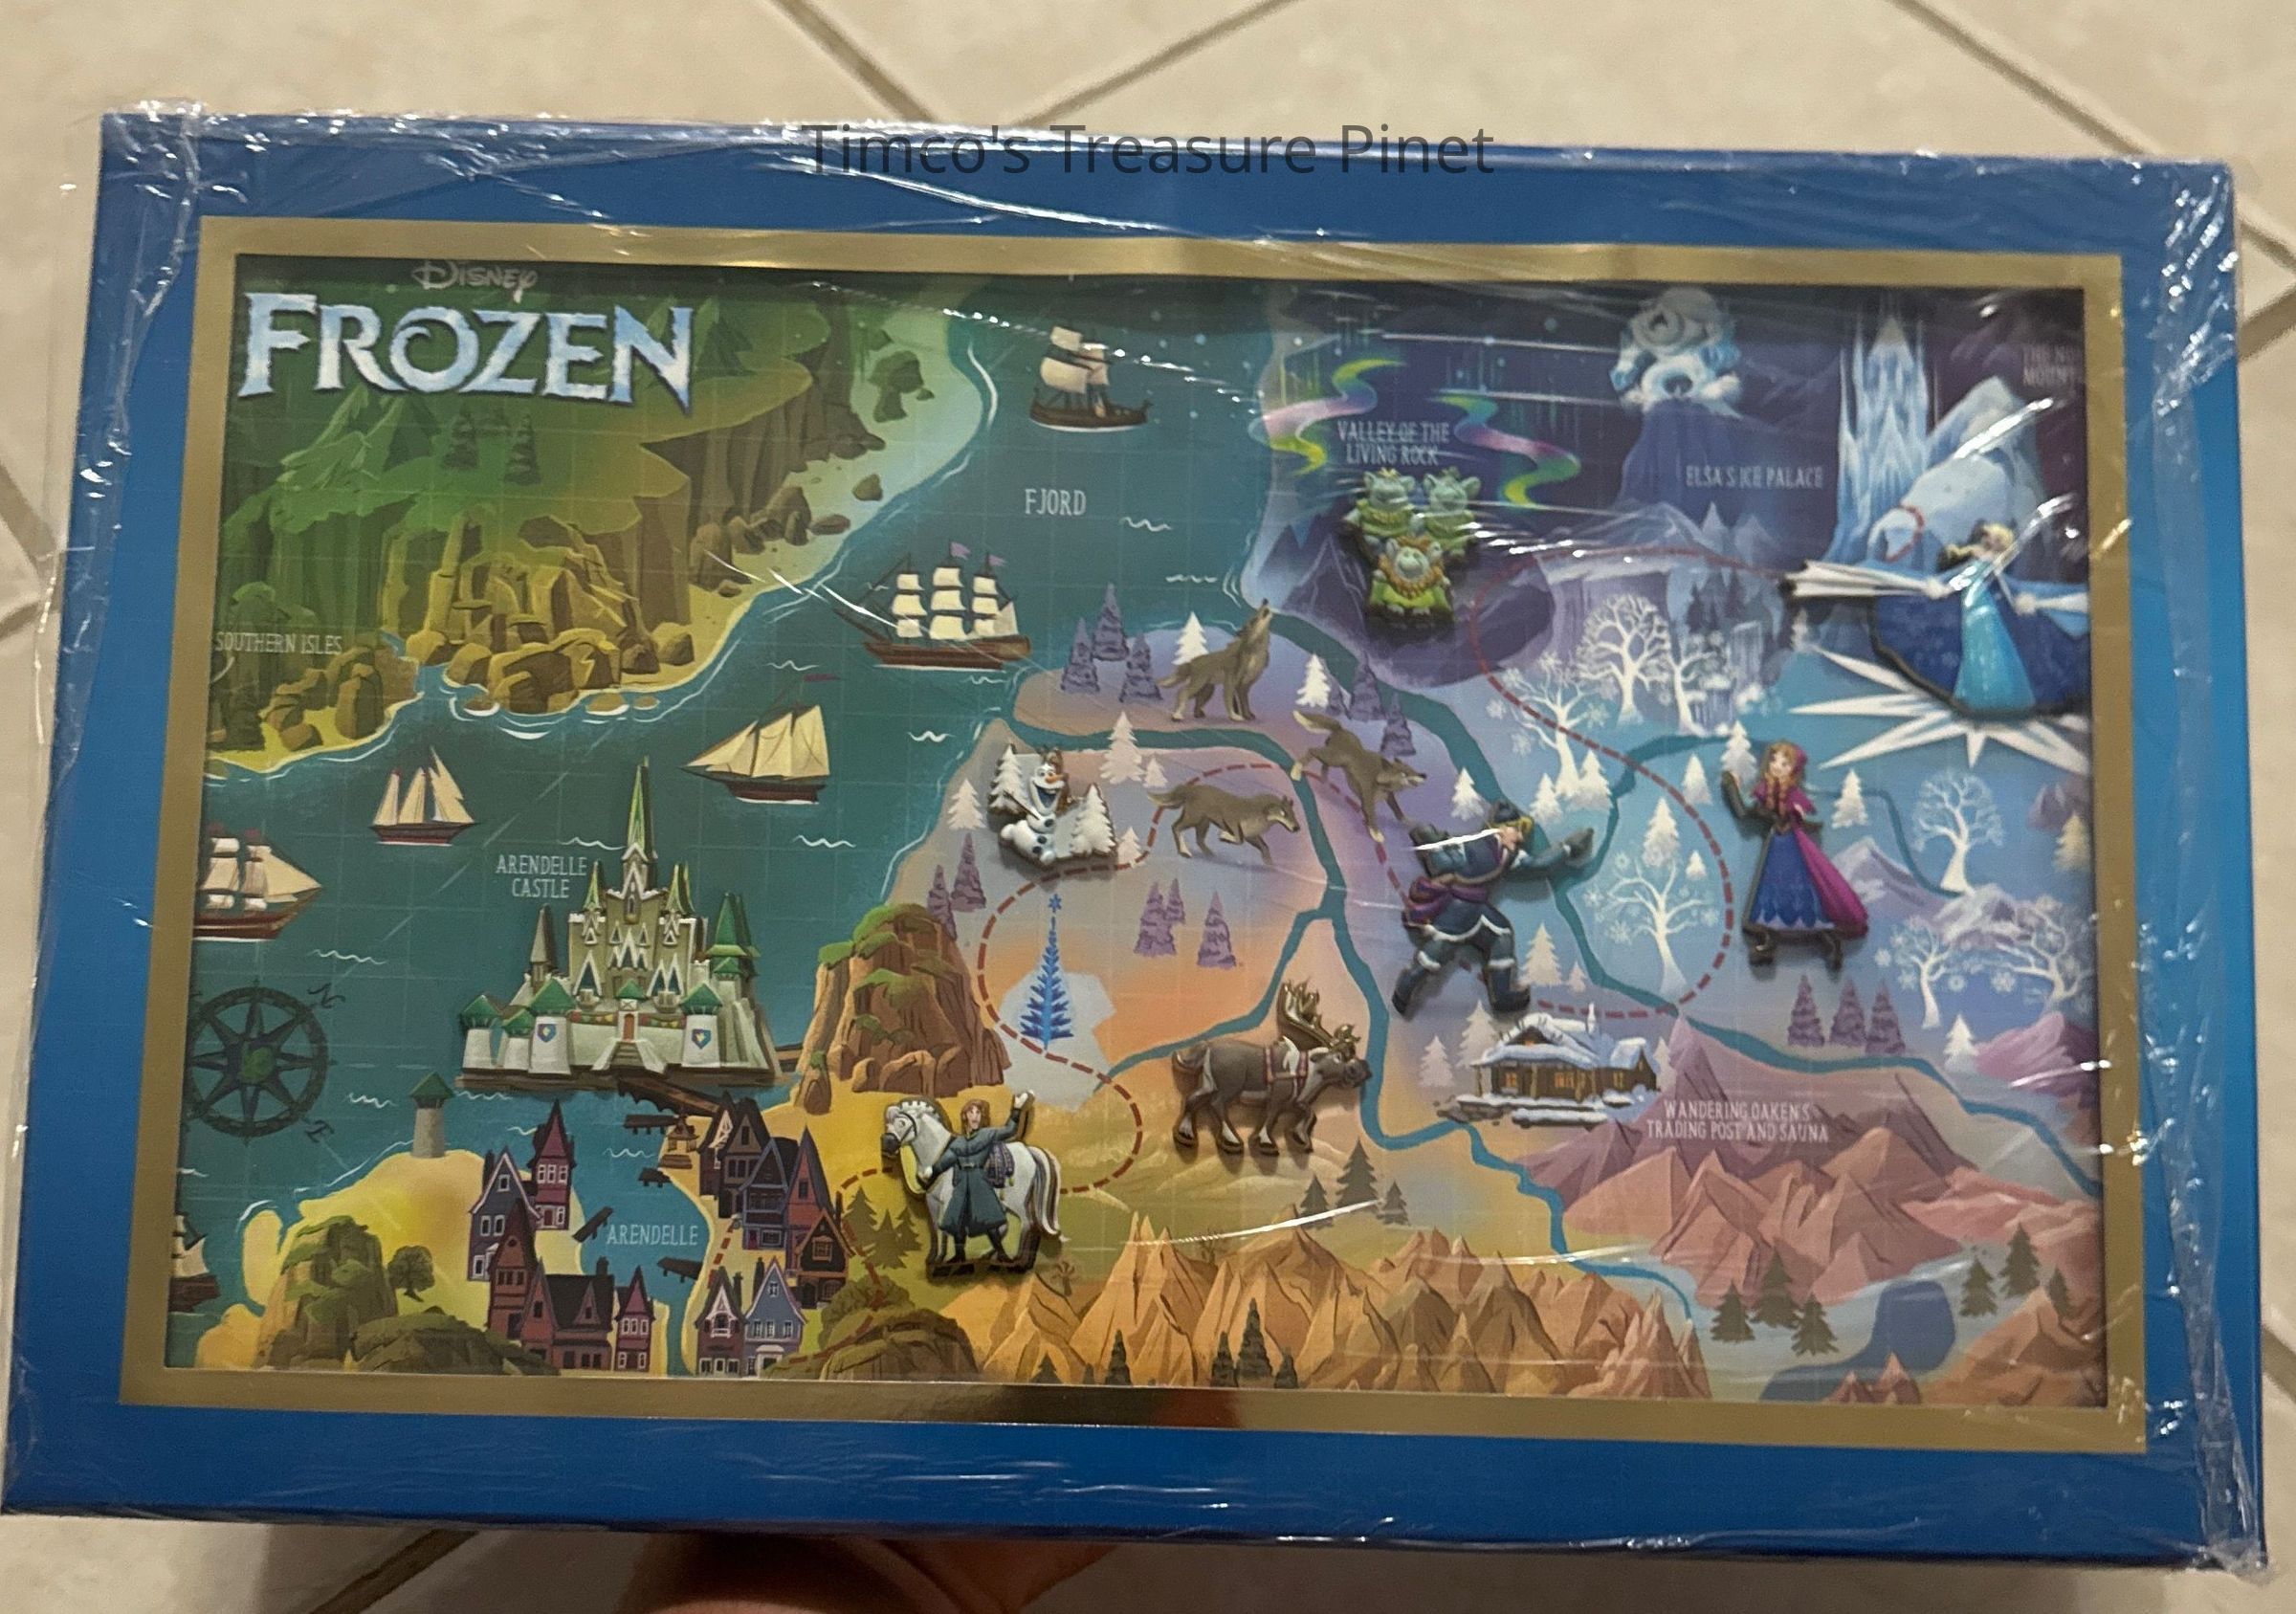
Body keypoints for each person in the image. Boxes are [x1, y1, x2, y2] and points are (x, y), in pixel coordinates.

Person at [1391, 801, 1594, 1016]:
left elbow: (1537, 865)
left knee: (1500, 935)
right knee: (1442, 946)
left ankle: (1502, 993)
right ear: (1502, 828)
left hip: (1476, 908)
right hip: (1458, 908)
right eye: (1516, 830)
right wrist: (1432, 841)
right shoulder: (1476, 847)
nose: (1520, 837)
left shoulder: (1505, 854)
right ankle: (1407, 986)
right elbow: (1445, 861)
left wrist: (1567, 849)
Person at [1721, 741, 1867, 969]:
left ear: (1793, 769)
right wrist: (1732, 786)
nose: (1777, 765)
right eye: (1774, 760)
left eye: (1784, 763)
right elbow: (1745, 810)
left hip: (1792, 847)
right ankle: (1769, 940)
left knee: (1804, 893)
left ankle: (1828, 939)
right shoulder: (1764, 791)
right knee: (1771, 895)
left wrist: (1798, 815)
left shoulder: (1792, 795)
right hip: (1778, 846)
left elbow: (1809, 816)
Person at [923, 1094, 1032, 1267]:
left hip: (978, 1181)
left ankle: (1001, 1253)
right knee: (957, 1218)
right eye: (971, 1112)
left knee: (987, 1218)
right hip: (962, 1182)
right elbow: (947, 1159)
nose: (974, 1116)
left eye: (978, 1113)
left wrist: (1017, 1109)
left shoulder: (987, 1135)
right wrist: (933, 1170)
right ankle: (959, 1255)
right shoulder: (959, 1142)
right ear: (965, 1116)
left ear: (982, 1116)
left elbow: (1009, 1130)